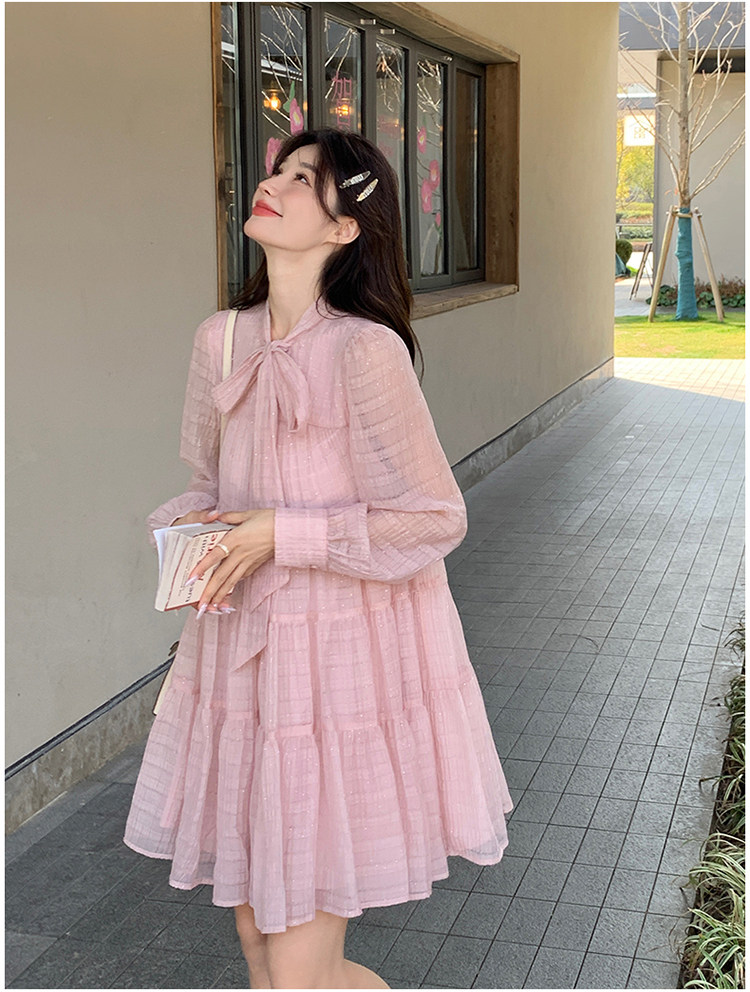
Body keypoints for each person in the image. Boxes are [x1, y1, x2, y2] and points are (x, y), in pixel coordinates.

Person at [124, 128, 514, 990]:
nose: (277, 183)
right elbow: (207, 482)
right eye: (280, 170)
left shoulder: (364, 350)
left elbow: (432, 519)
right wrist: (191, 536)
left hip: (340, 663)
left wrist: (281, 534)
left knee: (297, 967)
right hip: (243, 658)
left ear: (344, 229)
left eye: (306, 179)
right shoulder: (220, 340)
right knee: (263, 950)